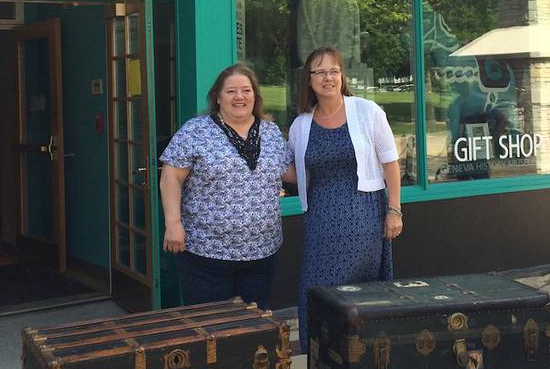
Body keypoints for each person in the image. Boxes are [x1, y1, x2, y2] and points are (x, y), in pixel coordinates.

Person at [288, 46, 403, 352]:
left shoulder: (367, 112)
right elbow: (294, 172)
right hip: (319, 219)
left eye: (334, 71)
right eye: (320, 72)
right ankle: (322, 356)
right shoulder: (300, 125)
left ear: (342, 76)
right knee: (315, 288)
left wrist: (394, 210)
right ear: (309, 80)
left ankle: (359, 356)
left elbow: (390, 163)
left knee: (353, 288)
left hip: (362, 213)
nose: (328, 78)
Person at [159, 64, 294, 310]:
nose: (239, 96)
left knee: (255, 329)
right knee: (210, 327)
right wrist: (173, 224)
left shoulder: (271, 132)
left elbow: (290, 173)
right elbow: (171, 177)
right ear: (218, 97)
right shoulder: (196, 131)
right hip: (206, 253)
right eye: (231, 91)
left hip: (262, 253)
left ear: (255, 96)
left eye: (246, 90)